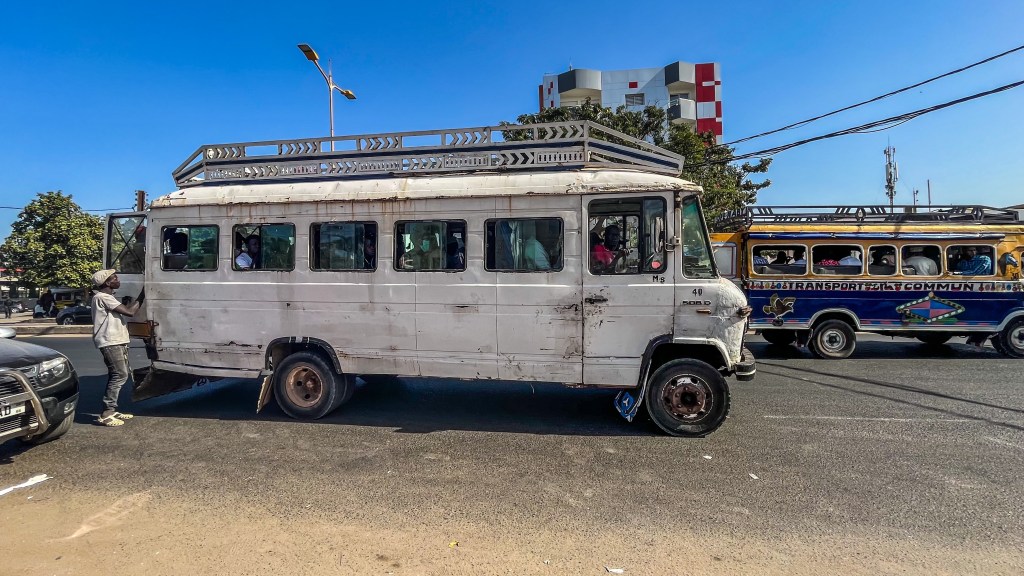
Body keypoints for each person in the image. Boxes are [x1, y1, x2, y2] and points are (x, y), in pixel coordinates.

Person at [90, 269, 143, 427]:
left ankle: (111, 410)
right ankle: (107, 413)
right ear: (107, 282)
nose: (118, 280)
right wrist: (143, 295)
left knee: (119, 374)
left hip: (115, 340)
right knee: (119, 375)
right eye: (115, 278)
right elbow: (130, 312)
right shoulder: (103, 297)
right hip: (110, 342)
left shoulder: (107, 297)